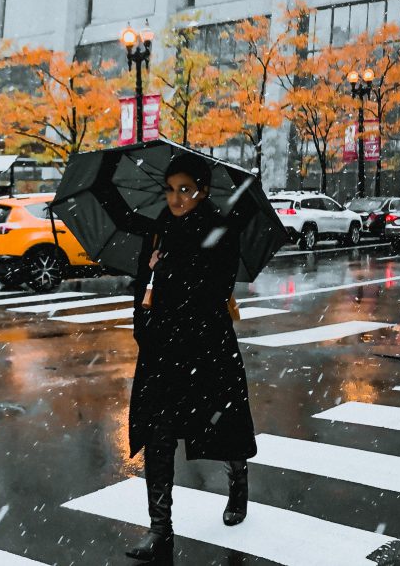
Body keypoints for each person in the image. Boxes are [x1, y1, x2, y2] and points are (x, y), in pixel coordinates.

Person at [126, 154, 257, 562]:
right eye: (170, 189)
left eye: (185, 189)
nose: (176, 197)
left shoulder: (221, 228)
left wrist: (171, 270)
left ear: (202, 190)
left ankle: (238, 479)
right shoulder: (158, 231)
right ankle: (159, 529)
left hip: (206, 349)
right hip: (163, 352)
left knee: (223, 429)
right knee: (157, 435)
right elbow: (142, 290)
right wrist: (148, 279)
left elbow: (214, 290)